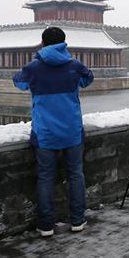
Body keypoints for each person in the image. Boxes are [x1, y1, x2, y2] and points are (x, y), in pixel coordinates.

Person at [13, 27, 93, 237]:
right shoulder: (74, 65)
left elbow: (18, 82)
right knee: (76, 174)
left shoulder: (33, 67)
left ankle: (46, 225)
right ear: (64, 43)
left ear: (42, 43)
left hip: (45, 132)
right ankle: (77, 220)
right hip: (72, 131)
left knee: (45, 177)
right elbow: (88, 79)